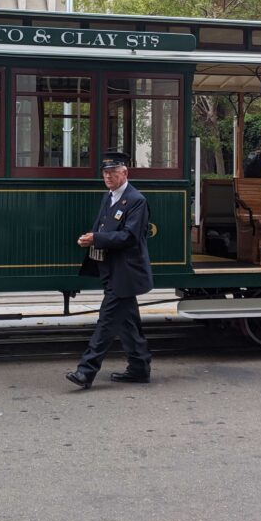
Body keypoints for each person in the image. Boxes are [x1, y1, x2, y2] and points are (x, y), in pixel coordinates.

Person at [66, 150, 153, 389]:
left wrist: (97, 239)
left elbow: (129, 237)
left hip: (126, 273)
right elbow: (103, 228)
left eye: (113, 172)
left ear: (125, 173)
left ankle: (86, 371)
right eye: (105, 173)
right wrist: (90, 238)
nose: (108, 177)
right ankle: (139, 368)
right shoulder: (110, 197)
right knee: (128, 323)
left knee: (106, 323)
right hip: (112, 269)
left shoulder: (136, 200)